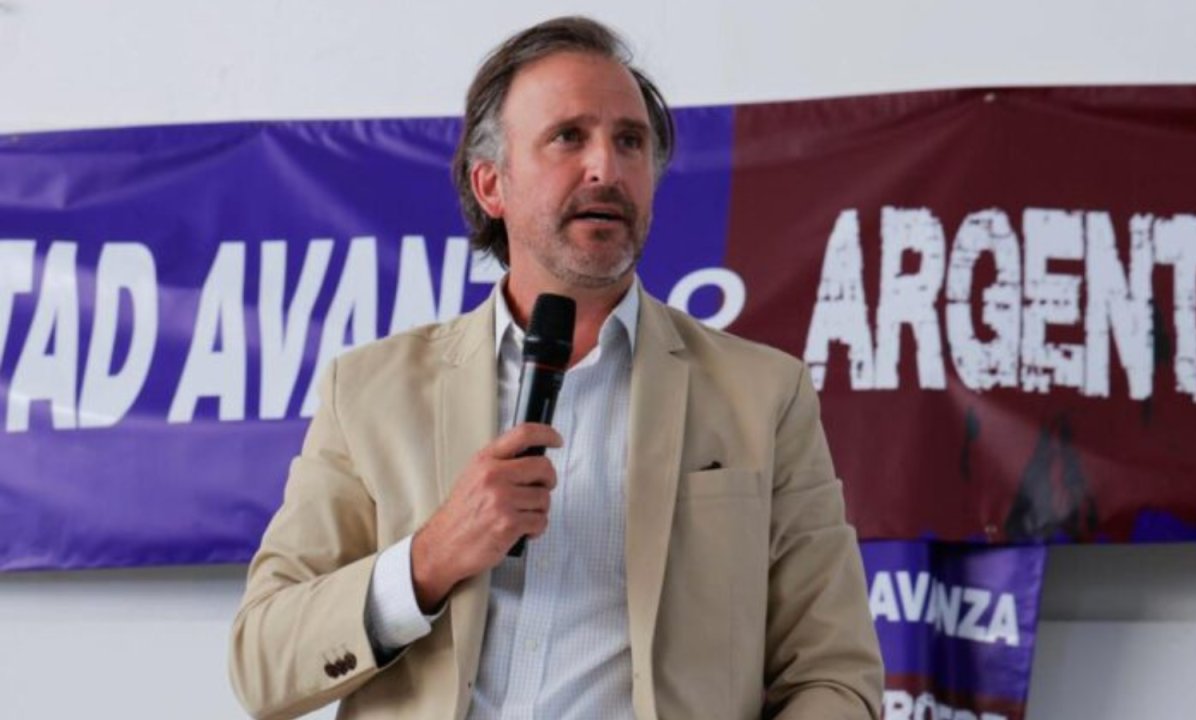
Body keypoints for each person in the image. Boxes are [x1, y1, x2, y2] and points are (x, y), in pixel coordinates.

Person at [229, 16, 883, 720]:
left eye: (630, 142)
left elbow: (834, 675)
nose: (607, 168)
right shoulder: (369, 392)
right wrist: (431, 557)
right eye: (569, 136)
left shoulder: (762, 395)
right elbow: (262, 663)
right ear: (492, 185)